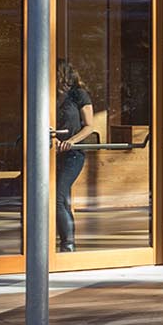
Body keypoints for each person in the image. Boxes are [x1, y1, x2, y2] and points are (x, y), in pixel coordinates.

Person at [53, 60, 95, 254]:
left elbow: (89, 126)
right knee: (61, 198)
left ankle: (68, 245)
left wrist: (72, 141)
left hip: (73, 155)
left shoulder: (79, 94)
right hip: (52, 154)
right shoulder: (50, 95)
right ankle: (62, 239)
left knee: (58, 197)